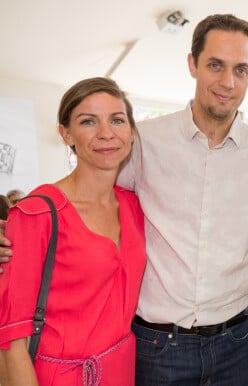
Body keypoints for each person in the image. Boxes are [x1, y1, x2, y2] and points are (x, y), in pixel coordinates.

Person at [115, 14, 248, 385]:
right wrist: (29, 231)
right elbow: (95, 207)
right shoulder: (144, 142)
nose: (228, 82)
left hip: (235, 344)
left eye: (241, 70)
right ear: (192, 64)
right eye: (216, 65)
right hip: (155, 346)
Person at [0, 77, 146, 385]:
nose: (106, 133)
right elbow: (12, 337)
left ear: (131, 132)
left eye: (117, 120)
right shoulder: (36, 213)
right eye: (88, 121)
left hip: (122, 370)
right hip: (59, 376)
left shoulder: (134, 206)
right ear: (66, 134)